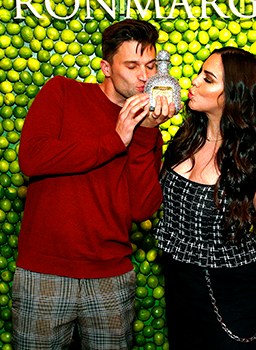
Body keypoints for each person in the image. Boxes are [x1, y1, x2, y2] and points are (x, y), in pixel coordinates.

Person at [12, 19, 175, 349]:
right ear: (106, 67)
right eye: (132, 65)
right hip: (45, 272)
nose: (144, 76)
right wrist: (115, 139)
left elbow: (142, 208)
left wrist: (143, 134)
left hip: (111, 278)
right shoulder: (62, 92)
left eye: (150, 65)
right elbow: (32, 157)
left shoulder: (148, 128)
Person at [154, 47, 256, 350]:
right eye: (200, 73)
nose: (194, 82)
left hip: (233, 301)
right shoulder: (183, 142)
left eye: (208, 79)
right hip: (180, 294)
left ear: (233, 96)